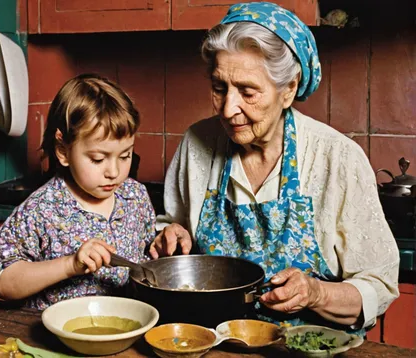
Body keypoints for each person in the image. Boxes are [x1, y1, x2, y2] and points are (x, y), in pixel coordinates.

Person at [149, 2, 400, 332]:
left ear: (289, 89)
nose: (228, 109)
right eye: (219, 87)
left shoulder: (337, 158)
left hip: (304, 348)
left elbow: (379, 287)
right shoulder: (197, 143)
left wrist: (315, 294)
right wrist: (171, 236)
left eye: (247, 91)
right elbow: (175, 230)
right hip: (216, 342)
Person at [0, 74, 156, 309]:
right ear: (63, 150)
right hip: (56, 340)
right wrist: (69, 265)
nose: (114, 172)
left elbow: (147, 257)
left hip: (126, 330)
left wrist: (164, 245)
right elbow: (2, 281)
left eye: (125, 155)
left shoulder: (135, 197)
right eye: (98, 159)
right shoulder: (41, 209)